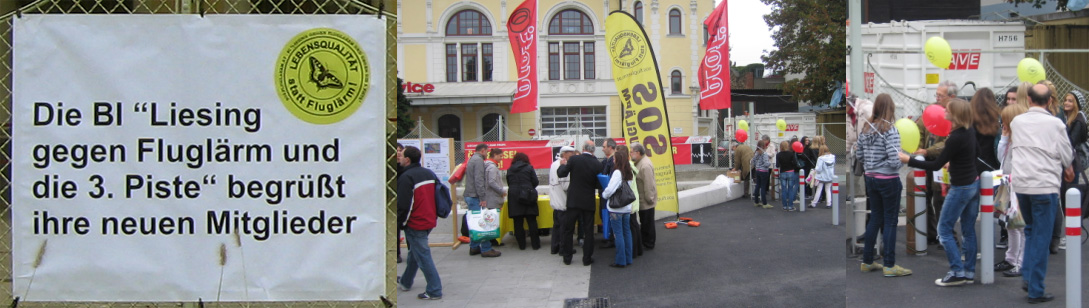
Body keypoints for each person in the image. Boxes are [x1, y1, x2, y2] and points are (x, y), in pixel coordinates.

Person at [900, 98, 980, 286]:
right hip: (973, 184)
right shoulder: (969, 132)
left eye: (948, 110)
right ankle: (968, 271)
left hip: (960, 187)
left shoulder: (955, 138)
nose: (944, 112)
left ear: (956, 115)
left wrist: (908, 160)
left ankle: (956, 271)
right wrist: (956, 161)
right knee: (968, 229)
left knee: (943, 229)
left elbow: (935, 164)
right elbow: (975, 153)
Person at [1009, 83, 1073, 303]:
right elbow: (1066, 154)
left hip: (1022, 183)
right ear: (1050, 101)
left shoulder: (1017, 122)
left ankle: (1028, 275)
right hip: (1044, 184)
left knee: (1030, 230)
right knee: (1041, 237)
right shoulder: (1056, 124)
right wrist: (1068, 167)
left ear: (1028, 99)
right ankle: (1036, 288)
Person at [856, 93, 912, 277]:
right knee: (890, 221)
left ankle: (867, 260)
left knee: (875, 219)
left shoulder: (866, 128)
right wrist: (903, 158)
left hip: (870, 178)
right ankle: (889, 265)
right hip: (888, 180)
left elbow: (860, 156)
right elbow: (895, 160)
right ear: (891, 108)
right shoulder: (890, 130)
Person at [396, 146, 443, 300]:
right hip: (429, 219)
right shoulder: (428, 173)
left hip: (415, 222)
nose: (399, 157)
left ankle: (434, 290)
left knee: (423, 256)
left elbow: (404, 205)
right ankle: (405, 281)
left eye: (401, 155)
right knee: (414, 253)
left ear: (407, 159)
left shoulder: (406, 177)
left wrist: (400, 223)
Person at [917, 80, 956, 246]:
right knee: (923, 197)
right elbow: (918, 129)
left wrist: (927, 151)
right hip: (926, 162)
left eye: (941, 95)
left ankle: (946, 235)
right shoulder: (930, 110)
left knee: (941, 200)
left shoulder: (955, 114)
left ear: (951, 96)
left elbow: (949, 142)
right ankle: (931, 233)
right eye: (937, 94)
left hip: (944, 163)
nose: (937, 98)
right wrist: (918, 148)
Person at [995, 104, 1029, 277]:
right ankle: (1010, 259)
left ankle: (1020, 263)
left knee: (1020, 226)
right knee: (1010, 225)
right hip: (1008, 185)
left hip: (1018, 187)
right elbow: (1001, 158)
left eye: (1005, 121)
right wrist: (1004, 138)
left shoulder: (1023, 141)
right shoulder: (1011, 139)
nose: (1003, 124)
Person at [557, 141, 604, 266]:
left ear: (583, 148)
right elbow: (599, 184)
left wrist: (562, 165)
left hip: (573, 200)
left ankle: (567, 257)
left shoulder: (574, 159)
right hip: (588, 200)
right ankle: (587, 259)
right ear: (593, 150)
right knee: (589, 231)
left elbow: (561, 173)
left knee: (568, 229)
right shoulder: (597, 164)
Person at [602, 146, 636, 268]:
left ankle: (620, 260)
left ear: (618, 160)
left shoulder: (617, 173)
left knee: (618, 234)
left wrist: (604, 194)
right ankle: (628, 257)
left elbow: (610, 189)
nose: (613, 161)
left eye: (615, 159)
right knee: (627, 232)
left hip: (616, 208)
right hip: (626, 207)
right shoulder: (629, 171)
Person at [463, 143, 496, 256]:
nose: (487, 154)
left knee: (475, 222)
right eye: (487, 151)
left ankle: (474, 247)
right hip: (475, 196)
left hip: (470, 194)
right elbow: (479, 179)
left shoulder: (472, 159)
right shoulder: (478, 161)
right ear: (483, 150)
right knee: (482, 223)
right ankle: (486, 249)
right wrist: (482, 197)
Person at [506, 152, 541, 250]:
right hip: (528, 195)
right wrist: (528, 187)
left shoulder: (510, 169)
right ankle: (535, 245)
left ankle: (521, 245)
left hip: (514, 197)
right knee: (532, 221)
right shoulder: (529, 168)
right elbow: (535, 181)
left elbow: (509, 183)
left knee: (517, 222)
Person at [549, 146, 577, 255]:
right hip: (562, 201)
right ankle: (563, 248)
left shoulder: (554, 164)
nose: (573, 155)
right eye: (571, 153)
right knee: (564, 227)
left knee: (556, 226)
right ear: (564, 154)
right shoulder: (563, 165)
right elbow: (565, 185)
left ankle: (554, 247)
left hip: (556, 200)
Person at [631, 143, 658, 250]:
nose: (630, 154)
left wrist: (649, 198)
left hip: (646, 200)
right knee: (645, 222)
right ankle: (646, 241)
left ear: (637, 153)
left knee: (648, 223)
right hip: (643, 199)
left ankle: (649, 243)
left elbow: (648, 184)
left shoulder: (644, 165)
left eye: (631, 152)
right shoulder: (640, 162)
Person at [618, 145, 643, 257]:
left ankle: (634, 251)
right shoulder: (631, 166)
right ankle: (638, 250)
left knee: (632, 227)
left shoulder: (626, 168)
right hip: (633, 200)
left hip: (630, 201)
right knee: (634, 226)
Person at [482, 148, 507, 257]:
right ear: (495, 155)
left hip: (490, 197)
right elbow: (491, 182)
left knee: (491, 220)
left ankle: (491, 242)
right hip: (492, 198)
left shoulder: (488, 166)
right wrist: (501, 191)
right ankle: (489, 244)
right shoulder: (492, 167)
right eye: (500, 156)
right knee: (491, 221)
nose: (502, 158)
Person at [600, 139, 617, 248]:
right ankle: (610, 237)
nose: (602, 149)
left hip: (611, 195)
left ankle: (612, 239)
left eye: (604, 147)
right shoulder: (607, 160)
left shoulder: (613, 161)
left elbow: (610, 178)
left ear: (610, 148)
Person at [776, 141, 799, 211]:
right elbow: (795, 163)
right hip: (791, 172)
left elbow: (777, 165)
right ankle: (790, 205)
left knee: (783, 189)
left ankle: (784, 206)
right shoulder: (791, 154)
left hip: (783, 172)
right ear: (788, 146)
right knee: (790, 189)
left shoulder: (778, 154)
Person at [751, 139, 773, 209]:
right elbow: (766, 164)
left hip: (757, 170)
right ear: (764, 146)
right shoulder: (764, 154)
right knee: (763, 187)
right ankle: (764, 203)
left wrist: (756, 166)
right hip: (764, 171)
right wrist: (770, 163)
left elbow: (753, 161)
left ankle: (756, 202)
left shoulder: (756, 153)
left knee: (758, 185)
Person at [395, 143, 406, 264]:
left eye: (400, 151)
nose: (398, 153)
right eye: (396, 150)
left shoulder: (405, 169)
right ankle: (396, 253)